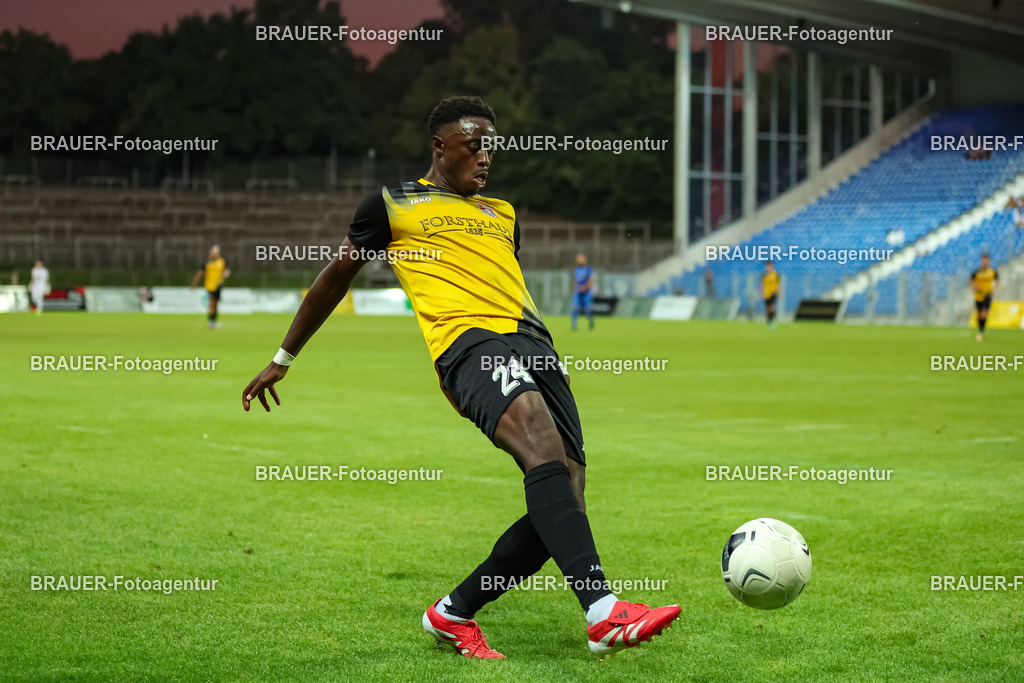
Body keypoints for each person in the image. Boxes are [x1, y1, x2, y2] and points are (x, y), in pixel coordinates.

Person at [241, 96, 679, 659]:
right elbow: (334, 278)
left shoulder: (503, 213)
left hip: (536, 347)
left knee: (566, 496)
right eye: (474, 146)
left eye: (491, 147)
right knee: (541, 448)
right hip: (467, 343)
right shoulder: (393, 204)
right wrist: (283, 357)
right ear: (439, 146)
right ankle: (602, 612)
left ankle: (452, 613)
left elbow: (503, 281)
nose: (485, 156)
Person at [190, 245, 229, 329]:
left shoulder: (221, 262)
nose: (214, 254)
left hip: (218, 286)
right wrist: (194, 283)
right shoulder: (207, 264)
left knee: (215, 305)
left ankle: (213, 321)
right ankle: (211, 323)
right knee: (212, 304)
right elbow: (199, 274)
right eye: (212, 252)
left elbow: (226, 271)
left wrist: (225, 274)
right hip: (210, 286)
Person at [969, 253, 998, 342]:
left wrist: (994, 288)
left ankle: (980, 332)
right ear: (981, 261)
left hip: (987, 295)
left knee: (984, 314)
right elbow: (971, 282)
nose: (985, 262)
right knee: (979, 315)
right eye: (984, 260)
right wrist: (975, 287)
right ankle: (980, 329)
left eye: (987, 260)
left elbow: (997, 281)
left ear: (989, 261)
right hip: (978, 296)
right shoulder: (976, 272)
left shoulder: (992, 271)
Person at [571, 253, 595, 331]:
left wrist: (584, 288)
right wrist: (576, 289)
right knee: (575, 308)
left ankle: (591, 322)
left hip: (586, 292)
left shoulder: (588, 269)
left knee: (588, 309)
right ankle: (574, 325)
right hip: (578, 291)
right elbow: (576, 281)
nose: (579, 260)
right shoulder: (576, 270)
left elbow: (590, 281)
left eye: (580, 259)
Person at [760, 260, 779, 329]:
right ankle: (768, 322)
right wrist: (761, 293)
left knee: (772, 307)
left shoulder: (775, 274)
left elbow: (778, 284)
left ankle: (773, 321)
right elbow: (762, 285)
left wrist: (778, 292)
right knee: (767, 309)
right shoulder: (764, 275)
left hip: (773, 293)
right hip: (766, 294)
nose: (767, 267)